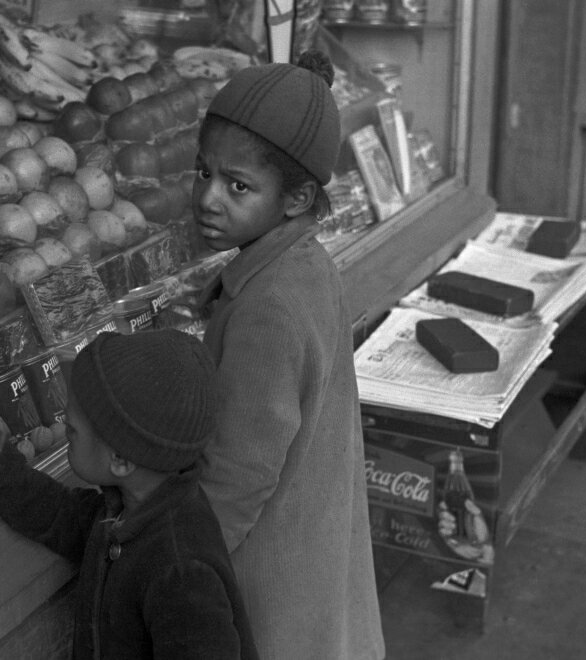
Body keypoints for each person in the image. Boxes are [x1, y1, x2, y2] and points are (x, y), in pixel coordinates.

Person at [193, 50, 385, 659]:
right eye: (203, 173)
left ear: (298, 198)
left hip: (271, 587)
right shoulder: (302, 265)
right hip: (315, 564)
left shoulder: (269, 307)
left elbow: (238, 474)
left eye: (238, 185)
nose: (209, 199)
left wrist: (185, 569)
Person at [0, 329, 259, 659]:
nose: (64, 426)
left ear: (120, 460)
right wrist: (7, 478)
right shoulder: (133, 506)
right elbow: (67, 518)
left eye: (73, 429)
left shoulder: (182, 574)